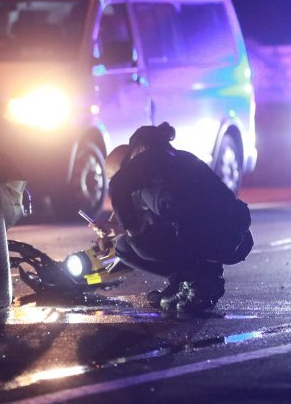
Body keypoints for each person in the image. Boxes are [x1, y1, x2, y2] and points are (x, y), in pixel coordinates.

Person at [104, 122, 253, 313]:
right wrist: (116, 224)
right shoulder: (180, 160)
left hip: (214, 239)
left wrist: (133, 230)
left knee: (128, 245)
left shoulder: (150, 170)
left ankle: (197, 283)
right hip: (236, 236)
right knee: (143, 238)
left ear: (138, 150)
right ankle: (186, 281)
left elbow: (119, 189)